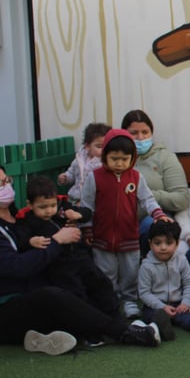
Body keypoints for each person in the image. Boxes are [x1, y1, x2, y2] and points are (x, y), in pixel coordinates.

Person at [0, 165, 160, 352]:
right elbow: (17, 267)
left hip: (39, 287)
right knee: (57, 297)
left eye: (6, 181)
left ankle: (54, 335)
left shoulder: (18, 217)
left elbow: (80, 214)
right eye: (1, 184)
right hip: (11, 304)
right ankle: (124, 332)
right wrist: (57, 241)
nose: (6, 187)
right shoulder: (25, 222)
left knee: (93, 284)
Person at [80, 128, 170, 319]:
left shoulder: (136, 177)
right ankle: (110, 302)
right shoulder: (94, 177)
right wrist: (87, 230)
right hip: (102, 238)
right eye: (114, 158)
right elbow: (87, 206)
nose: (119, 163)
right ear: (105, 156)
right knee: (106, 273)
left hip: (129, 236)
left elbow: (147, 199)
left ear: (132, 158)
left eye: (124, 158)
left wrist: (158, 214)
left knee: (130, 271)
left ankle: (129, 300)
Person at [14, 176, 119, 319]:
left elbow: (87, 213)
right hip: (59, 265)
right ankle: (87, 327)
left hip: (80, 257)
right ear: (30, 204)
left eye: (52, 205)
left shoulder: (63, 208)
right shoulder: (27, 221)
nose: (49, 211)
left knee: (102, 283)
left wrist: (78, 214)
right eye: (42, 207)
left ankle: (113, 317)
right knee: (76, 293)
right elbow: (20, 240)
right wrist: (31, 241)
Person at [121, 110, 190, 252]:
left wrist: (146, 193)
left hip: (153, 218)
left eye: (145, 132)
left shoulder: (165, 158)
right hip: (121, 218)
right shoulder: (117, 158)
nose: (140, 138)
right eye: (134, 133)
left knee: (151, 226)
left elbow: (182, 198)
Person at [139, 220, 190, 339]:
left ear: (177, 243)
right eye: (158, 243)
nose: (163, 247)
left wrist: (185, 303)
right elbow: (144, 293)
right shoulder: (146, 266)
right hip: (155, 305)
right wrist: (162, 306)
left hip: (178, 304)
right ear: (150, 244)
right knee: (152, 317)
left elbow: (189, 283)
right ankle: (163, 327)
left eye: (168, 243)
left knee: (188, 319)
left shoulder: (181, 260)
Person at [57, 122, 110, 204]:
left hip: (93, 199)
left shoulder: (105, 162)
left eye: (106, 146)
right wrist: (66, 177)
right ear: (87, 146)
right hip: (75, 196)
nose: (103, 150)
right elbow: (72, 173)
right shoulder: (80, 158)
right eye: (99, 146)